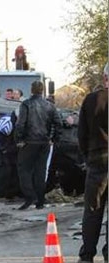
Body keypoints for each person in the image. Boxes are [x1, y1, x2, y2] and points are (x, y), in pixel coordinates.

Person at [76, 62, 108, 263]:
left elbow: (81, 135)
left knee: (93, 210)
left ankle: (87, 255)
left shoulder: (90, 101)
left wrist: (88, 157)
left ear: (105, 78)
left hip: (97, 161)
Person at [14, 80, 62, 210]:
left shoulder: (26, 104)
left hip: (29, 142)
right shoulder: (49, 106)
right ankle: (40, 200)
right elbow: (58, 123)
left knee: (24, 169)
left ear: (31, 90)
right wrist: (53, 139)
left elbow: (21, 124)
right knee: (40, 171)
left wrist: (19, 139)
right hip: (44, 142)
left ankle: (30, 196)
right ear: (42, 90)